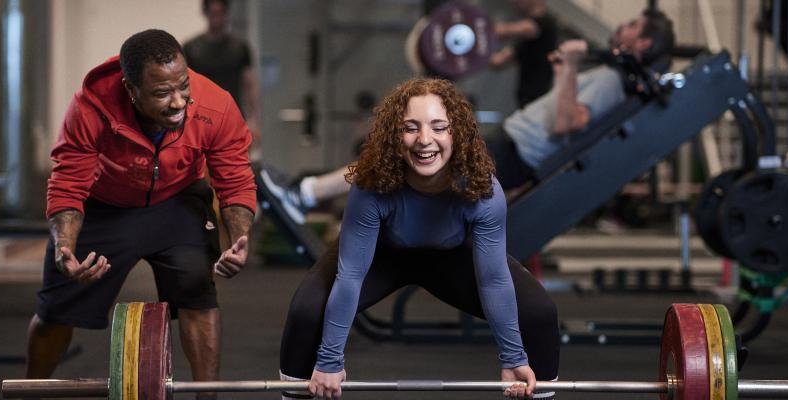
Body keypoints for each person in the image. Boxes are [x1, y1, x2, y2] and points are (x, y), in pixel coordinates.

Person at [277, 78, 560, 400]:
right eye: (411, 128)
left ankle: (538, 395)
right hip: (383, 254)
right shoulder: (372, 185)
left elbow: (494, 279)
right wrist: (330, 359)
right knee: (306, 310)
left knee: (538, 313)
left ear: (457, 133)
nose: (425, 140)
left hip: (451, 255)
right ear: (395, 136)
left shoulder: (482, 191)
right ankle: (295, 396)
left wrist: (513, 359)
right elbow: (352, 274)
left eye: (439, 127)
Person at [261, 9, 675, 223]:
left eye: (633, 25)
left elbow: (566, 122)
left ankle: (307, 194)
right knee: (399, 167)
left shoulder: (613, 79)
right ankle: (311, 194)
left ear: (643, 41)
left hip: (515, 154)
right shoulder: (613, 75)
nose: (622, 26)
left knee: (397, 161)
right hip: (510, 147)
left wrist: (567, 68)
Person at [24, 29, 256, 400]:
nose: (178, 101)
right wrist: (64, 246)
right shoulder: (91, 107)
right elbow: (68, 181)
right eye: (162, 93)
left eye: (183, 86)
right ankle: (27, 393)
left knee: (198, 290)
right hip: (106, 207)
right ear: (131, 90)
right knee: (55, 311)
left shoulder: (216, 105)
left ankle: (207, 398)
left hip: (177, 202)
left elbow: (236, 178)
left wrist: (240, 238)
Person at [183, 0, 261, 154]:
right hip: (201, 120)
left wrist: (254, 123)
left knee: (235, 169)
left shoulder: (240, 47)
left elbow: (250, 85)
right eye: (213, 14)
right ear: (206, 14)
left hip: (233, 119)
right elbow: (183, 87)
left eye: (220, 14)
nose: (217, 19)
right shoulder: (191, 48)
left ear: (226, 14)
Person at [489, 0, 559, 107]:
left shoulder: (546, 23)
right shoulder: (526, 41)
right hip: (525, 103)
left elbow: (504, 31)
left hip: (536, 104)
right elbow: (497, 61)